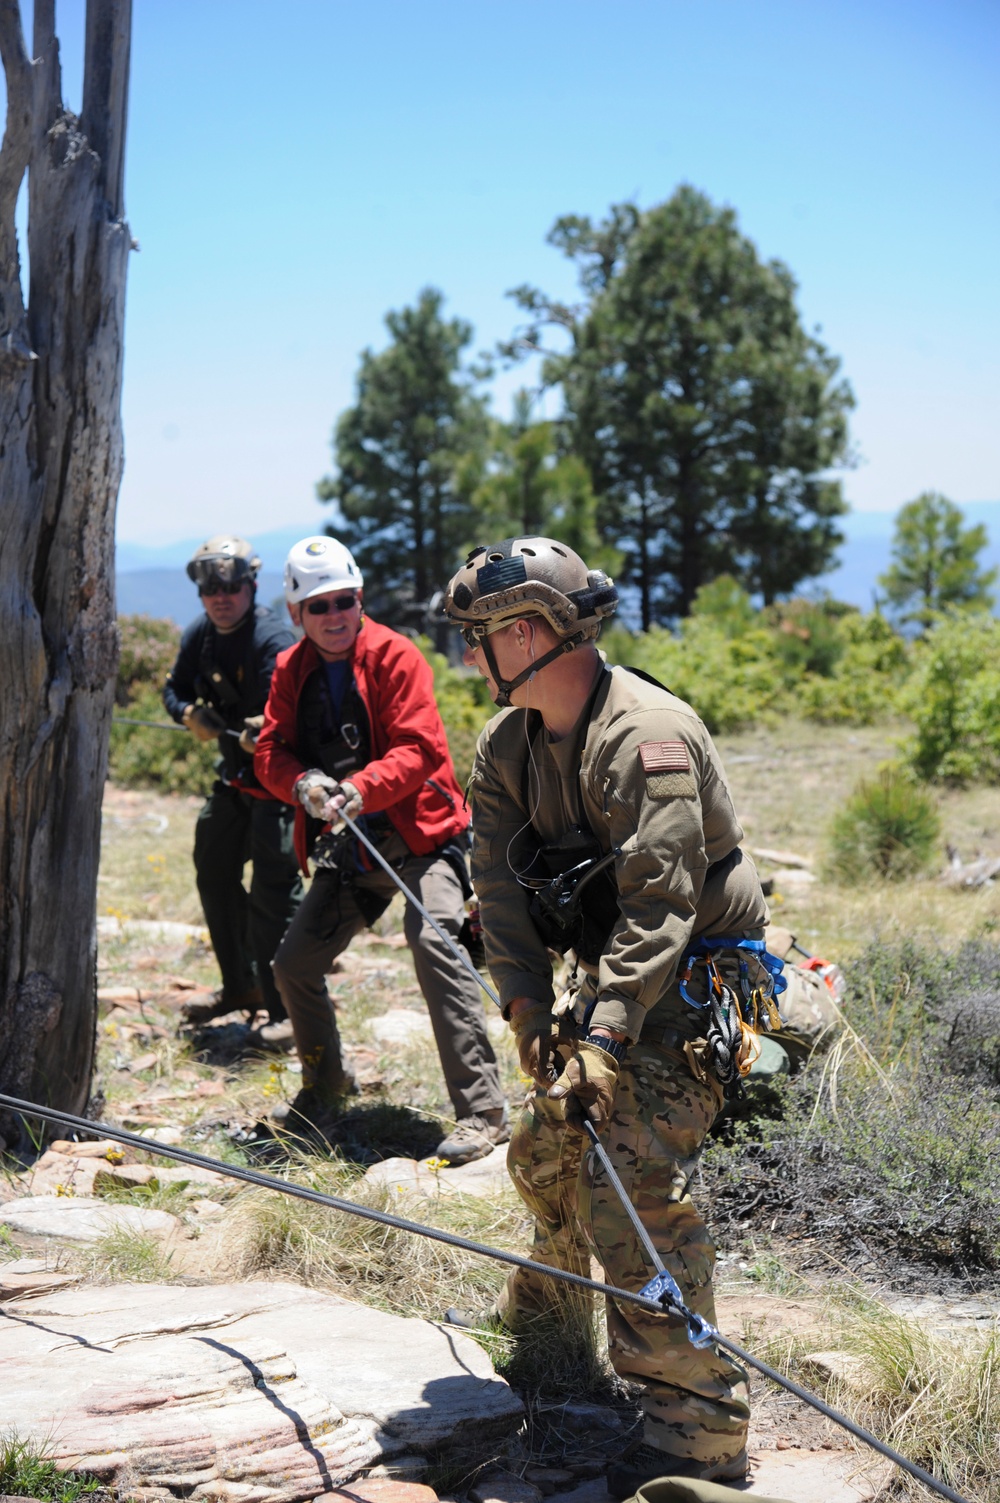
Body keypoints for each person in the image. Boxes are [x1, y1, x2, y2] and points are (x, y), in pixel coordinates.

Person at [444, 537, 776, 1495]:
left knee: (630, 1173)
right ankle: (552, 1317)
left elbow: (662, 905)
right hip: (614, 985)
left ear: (533, 631)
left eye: (484, 638)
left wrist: (603, 1036)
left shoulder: (646, 736)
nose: (473, 658)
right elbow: (499, 894)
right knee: (544, 1146)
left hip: (697, 981)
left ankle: (697, 1427)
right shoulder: (506, 748)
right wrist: (526, 1010)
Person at [254, 535, 508, 1165]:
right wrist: (304, 784)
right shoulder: (291, 671)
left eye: (344, 600)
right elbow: (269, 752)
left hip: (424, 837)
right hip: (355, 845)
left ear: (360, 598)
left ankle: (482, 1114)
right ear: (296, 615)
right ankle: (324, 1084)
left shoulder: (396, 655)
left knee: (435, 944)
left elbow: (421, 749)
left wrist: (356, 790)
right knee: (294, 963)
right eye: (319, 606)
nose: (335, 615)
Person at [163, 535, 303, 1040]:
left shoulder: (271, 639)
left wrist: (263, 731)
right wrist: (187, 713)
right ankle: (240, 985)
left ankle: (287, 1010)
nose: (220, 596)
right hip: (235, 783)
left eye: (231, 585)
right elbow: (173, 688)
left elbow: (283, 713)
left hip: (276, 789)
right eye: (210, 588)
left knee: (274, 894)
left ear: (250, 586)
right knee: (213, 872)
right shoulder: (201, 635)